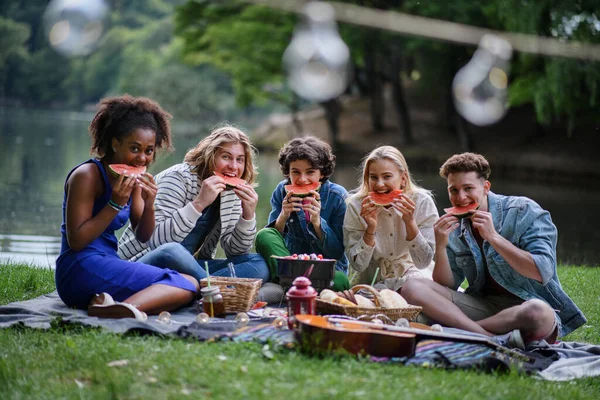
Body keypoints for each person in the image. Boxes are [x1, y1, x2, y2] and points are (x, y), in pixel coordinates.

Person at [401, 152, 587, 345]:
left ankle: (459, 329)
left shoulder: (524, 211)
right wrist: (440, 247)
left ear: (486, 187)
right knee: (412, 287)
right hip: (483, 305)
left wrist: (494, 237)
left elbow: (543, 271)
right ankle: (489, 337)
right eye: (453, 190)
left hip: (526, 306)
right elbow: (448, 284)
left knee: (537, 314)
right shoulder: (454, 227)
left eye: (468, 188)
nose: (461, 197)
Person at [55, 95, 198, 320]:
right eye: (134, 148)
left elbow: (143, 235)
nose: (142, 158)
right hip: (78, 267)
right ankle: (124, 307)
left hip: (109, 263)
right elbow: (77, 241)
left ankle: (111, 305)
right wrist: (115, 203)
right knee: (185, 284)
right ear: (115, 144)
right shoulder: (87, 176)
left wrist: (150, 204)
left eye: (149, 151)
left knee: (188, 282)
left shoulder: (131, 180)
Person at [118, 125, 269, 283]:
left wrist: (248, 216)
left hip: (189, 267)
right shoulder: (178, 178)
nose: (233, 166)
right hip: (141, 263)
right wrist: (199, 204)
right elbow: (158, 242)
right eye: (226, 157)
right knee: (173, 250)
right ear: (210, 156)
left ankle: (201, 285)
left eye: (240, 160)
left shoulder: (232, 191)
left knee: (258, 264)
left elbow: (235, 251)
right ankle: (215, 290)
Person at [255, 136, 350, 291]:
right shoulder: (282, 190)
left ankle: (287, 284)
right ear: (288, 172)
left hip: (324, 268)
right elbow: (272, 238)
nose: (302, 179)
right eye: (296, 172)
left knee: (340, 280)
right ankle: (302, 284)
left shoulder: (338, 197)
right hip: (291, 262)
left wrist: (318, 223)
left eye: (310, 172)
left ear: (322, 173)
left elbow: (337, 253)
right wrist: (283, 217)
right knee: (263, 235)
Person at [344, 146, 438, 291]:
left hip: (414, 277)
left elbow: (423, 262)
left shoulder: (422, 202)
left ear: (403, 179)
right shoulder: (356, 206)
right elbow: (359, 265)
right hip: (372, 280)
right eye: (373, 177)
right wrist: (370, 230)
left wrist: (410, 222)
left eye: (387, 176)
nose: (380, 184)